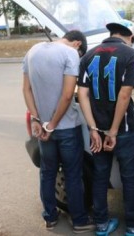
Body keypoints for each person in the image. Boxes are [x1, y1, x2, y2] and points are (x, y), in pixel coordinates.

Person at [77, 22, 134, 236]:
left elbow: (82, 94)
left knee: (100, 177)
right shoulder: (131, 54)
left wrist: (93, 129)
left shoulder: (88, 56)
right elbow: (125, 95)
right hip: (125, 131)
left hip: (97, 132)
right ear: (130, 36)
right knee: (130, 180)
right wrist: (113, 131)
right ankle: (133, 227)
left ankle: (101, 225)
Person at [22, 30, 95, 233]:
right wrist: (52, 124)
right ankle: (79, 220)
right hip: (66, 129)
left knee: (47, 173)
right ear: (77, 44)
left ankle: (50, 218)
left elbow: (26, 90)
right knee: (73, 174)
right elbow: (66, 95)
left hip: (44, 130)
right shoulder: (69, 54)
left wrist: (38, 120)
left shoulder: (32, 51)